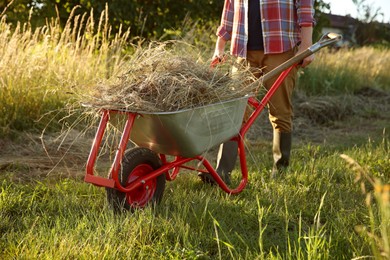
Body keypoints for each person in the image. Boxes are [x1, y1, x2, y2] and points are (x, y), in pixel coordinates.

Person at [199, 0, 316, 184]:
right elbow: (230, 6)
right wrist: (219, 46)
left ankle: (281, 171)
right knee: (235, 110)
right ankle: (222, 173)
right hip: (243, 50)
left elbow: (305, 4)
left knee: (280, 110)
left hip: (281, 47)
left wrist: (307, 44)